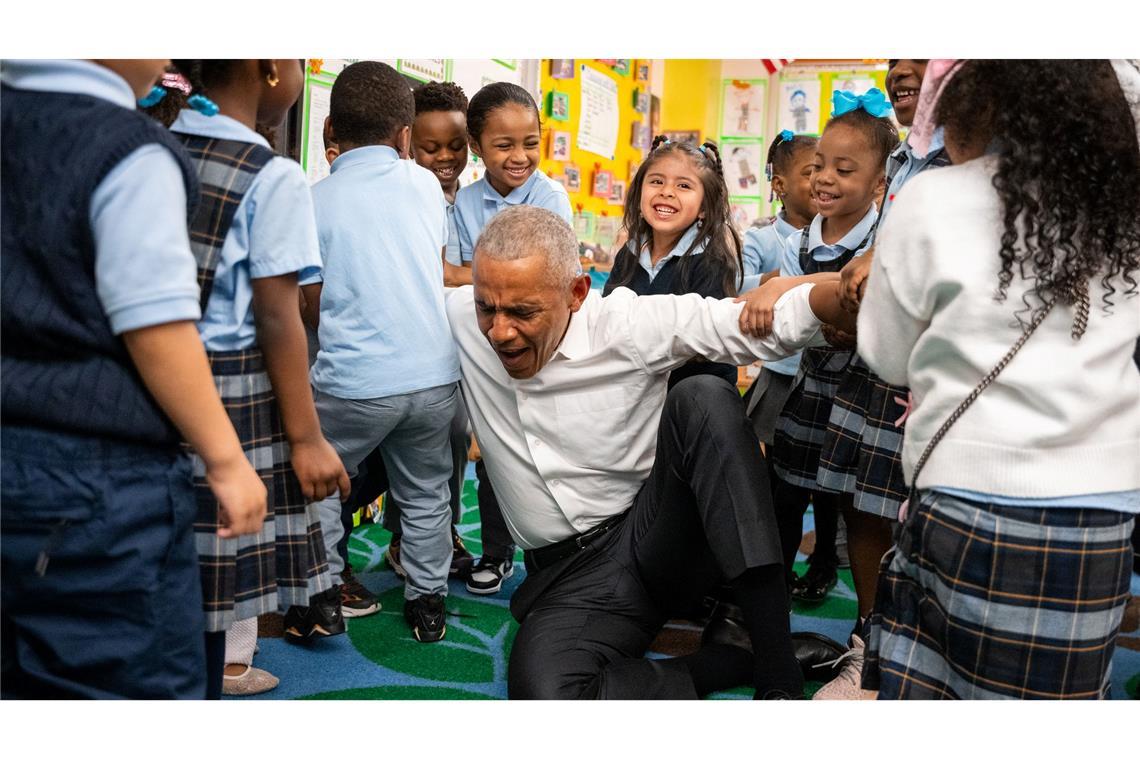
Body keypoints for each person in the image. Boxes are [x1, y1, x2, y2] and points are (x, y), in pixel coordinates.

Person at [446, 204, 858, 699]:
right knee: (546, 697)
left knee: (704, 397)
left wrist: (850, 292)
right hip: (568, 581)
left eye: (523, 312)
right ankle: (731, 661)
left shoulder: (625, 321)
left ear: (577, 293)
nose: (499, 331)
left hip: (658, 541)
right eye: (486, 307)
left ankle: (775, 665)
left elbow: (755, 325)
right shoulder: (459, 319)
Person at [857, 59, 1140, 699]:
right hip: (1102, 505)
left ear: (974, 107)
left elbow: (886, 354)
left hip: (965, 490)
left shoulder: (932, 198)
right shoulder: (1123, 209)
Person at [1, 58, 266, 699]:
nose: (173, 59)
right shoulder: (130, 150)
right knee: (129, 680)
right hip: (98, 488)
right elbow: (157, 323)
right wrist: (226, 459)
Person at [167, 59, 350, 697]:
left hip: (151, 380)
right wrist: (306, 437)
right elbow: (278, 318)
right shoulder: (271, 176)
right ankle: (211, 680)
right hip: (233, 392)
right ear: (271, 68)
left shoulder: (154, 146)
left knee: (167, 561)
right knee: (218, 573)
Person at [303, 61, 459, 643]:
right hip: (433, 379)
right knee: (425, 491)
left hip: (354, 386)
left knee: (319, 482)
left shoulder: (313, 199)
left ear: (331, 133)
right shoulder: (424, 186)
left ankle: (320, 594)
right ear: (405, 136)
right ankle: (428, 604)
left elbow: (310, 305)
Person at [810, 59, 952, 699]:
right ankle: (869, 645)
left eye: (924, 59)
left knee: (932, 513)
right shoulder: (904, 160)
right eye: (897, 60)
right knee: (865, 503)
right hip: (880, 355)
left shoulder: (972, 155)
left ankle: (926, 645)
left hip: (942, 362)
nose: (905, 72)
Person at [760, 93, 898, 606]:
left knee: (844, 495)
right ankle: (771, 587)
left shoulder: (881, 237)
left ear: (879, 185)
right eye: (818, 166)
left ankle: (827, 566)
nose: (824, 179)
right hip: (811, 380)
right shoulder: (803, 233)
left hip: (860, 389)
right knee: (787, 486)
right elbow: (799, 301)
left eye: (844, 170)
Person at [450, 81, 573, 596]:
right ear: (477, 146)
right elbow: (449, 275)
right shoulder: (465, 202)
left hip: (540, 348)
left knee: (547, 450)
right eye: (504, 145)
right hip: (484, 347)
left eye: (530, 142)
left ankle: (558, 555)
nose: (519, 156)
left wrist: (473, 278)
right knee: (497, 451)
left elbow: (551, 279)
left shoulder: (551, 199)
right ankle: (497, 552)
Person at [383, 80, 476, 582]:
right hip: (410, 344)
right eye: (430, 147)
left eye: (456, 146)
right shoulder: (403, 195)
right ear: (406, 143)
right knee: (423, 441)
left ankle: (440, 528)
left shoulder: (469, 198)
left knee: (455, 437)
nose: (445, 157)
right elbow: (435, 270)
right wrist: (485, 274)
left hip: (458, 343)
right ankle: (405, 535)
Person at [603, 136, 742, 389]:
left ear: (704, 208)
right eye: (656, 181)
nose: (666, 192)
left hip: (688, 398)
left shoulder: (712, 262)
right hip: (633, 392)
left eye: (684, 186)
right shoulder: (629, 253)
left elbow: (701, 344)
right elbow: (607, 319)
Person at [740, 130, 818, 481]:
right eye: (810, 171)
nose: (821, 179)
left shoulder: (833, 235)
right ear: (780, 185)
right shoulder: (762, 237)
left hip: (822, 372)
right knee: (780, 474)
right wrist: (778, 278)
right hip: (783, 372)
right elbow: (735, 286)